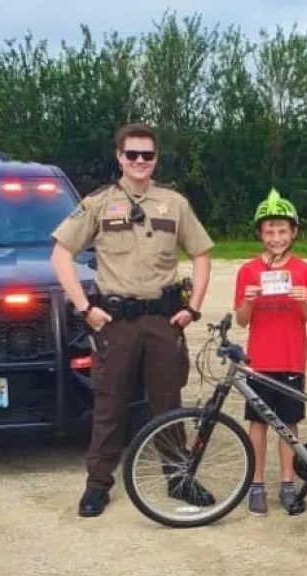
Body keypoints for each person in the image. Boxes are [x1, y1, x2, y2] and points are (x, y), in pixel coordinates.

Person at [50, 122, 216, 518]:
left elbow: (202, 253)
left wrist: (192, 307)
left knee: (168, 404)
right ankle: (97, 485)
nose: (140, 161)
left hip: (163, 320)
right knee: (110, 406)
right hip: (116, 322)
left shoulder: (173, 203)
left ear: (156, 158)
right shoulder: (99, 203)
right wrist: (84, 309)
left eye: (148, 155)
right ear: (119, 158)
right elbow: (60, 254)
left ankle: (178, 478)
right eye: (132, 154)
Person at [233, 188, 307, 516]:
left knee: (288, 423)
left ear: (294, 232)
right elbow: (242, 321)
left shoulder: (305, 271)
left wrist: (305, 302)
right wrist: (249, 301)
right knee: (258, 423)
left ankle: (287, 482)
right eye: (269, 231)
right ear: (260, 233)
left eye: (282, 230)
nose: (276, 237)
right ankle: (256, 483)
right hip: (258, 362)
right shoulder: (248, 271)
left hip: (291, 359)